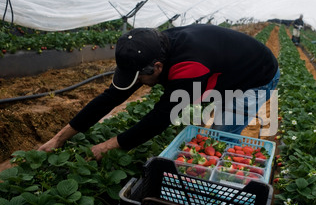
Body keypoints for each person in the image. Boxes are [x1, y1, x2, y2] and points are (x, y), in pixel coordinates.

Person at [38, 25, 280, 160]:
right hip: (226, 67)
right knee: (212, 128)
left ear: (158, 67)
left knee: (220, 136)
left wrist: (106, 146)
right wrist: (59, 138)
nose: (138, 84)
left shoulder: (189, 66)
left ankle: (218, 190)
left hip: (255, 76)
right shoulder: (149, 48)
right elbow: (111, 97)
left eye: (140, 79)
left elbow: (160, 118)